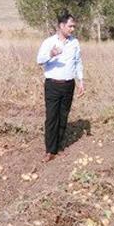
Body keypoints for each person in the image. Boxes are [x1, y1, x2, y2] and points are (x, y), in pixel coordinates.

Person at [36, 11, 85, 162]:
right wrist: (50, 54)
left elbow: (78, 62)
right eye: (70, 26)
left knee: (63, 116)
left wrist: (81, 81)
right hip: (53, 85)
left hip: (68, 84)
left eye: (74, 27)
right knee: (52, 117)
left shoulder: (74, 43)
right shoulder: (49, 42)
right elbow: (39, 60)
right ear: (61, 26)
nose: (72, 29)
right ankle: (50, 150)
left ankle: (59, 146)